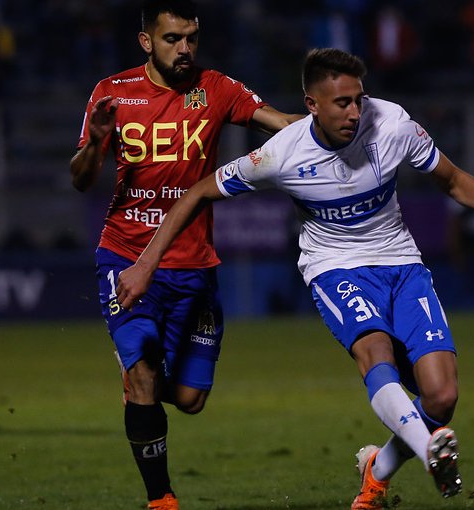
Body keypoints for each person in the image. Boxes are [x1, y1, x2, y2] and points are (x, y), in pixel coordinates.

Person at [116, 48, 474, 509]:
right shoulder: (281, 154)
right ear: (311, 105)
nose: (354, 111)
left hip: (402, 265)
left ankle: (376, 473)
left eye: (358, 99)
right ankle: (430, 454)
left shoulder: (392, 123)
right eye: (341, 102)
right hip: (335, 267)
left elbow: (450, 177)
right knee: (375, 350)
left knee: (441, 398)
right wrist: (146, 262)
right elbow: (200, 191)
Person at [68, 1, 301, 508]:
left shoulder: (215, 88)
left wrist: (330, 123)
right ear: (146, 41)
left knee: (191, 399)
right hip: (126, 255)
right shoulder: (113, 93)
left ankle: (139, 381)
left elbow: (281, 122)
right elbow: (83, 178)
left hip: (194, 264)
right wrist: (98, 142)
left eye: (192, 37)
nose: (185, 48)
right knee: (145, 374)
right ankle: (162, 499)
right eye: (173, 38)